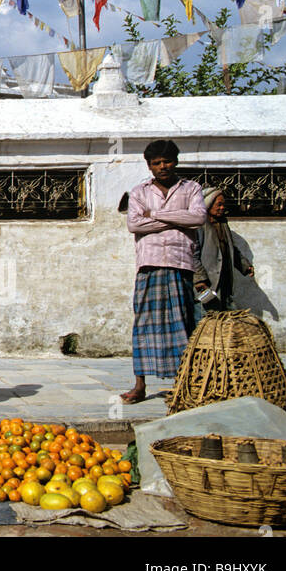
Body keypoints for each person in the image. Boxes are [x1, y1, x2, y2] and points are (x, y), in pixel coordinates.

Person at [123, 139, 207, 404]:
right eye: (157, 163)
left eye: (167, 161)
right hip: (149, 265)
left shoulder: (192, 188)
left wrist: (157, 215)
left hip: (180, 265)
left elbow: (198, 218)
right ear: (149, 166)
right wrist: (176, 217)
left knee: (182, 324)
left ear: (176, 161)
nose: (163, 167)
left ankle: (183, 385)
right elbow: (135, 224)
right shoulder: (139, 192)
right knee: (144, 326)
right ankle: (140, 385)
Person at [192, 187, 255, 311]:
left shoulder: (222, 224)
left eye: (223, 205)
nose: (222, 208)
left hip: (224, 280)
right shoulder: (199, 224)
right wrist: (199, 279)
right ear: (208, 204)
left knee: (226, 316)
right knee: (206, 319)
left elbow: (231, 248)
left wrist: (245, 266)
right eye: (219, 205)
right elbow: (192, 254)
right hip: (207, 283)